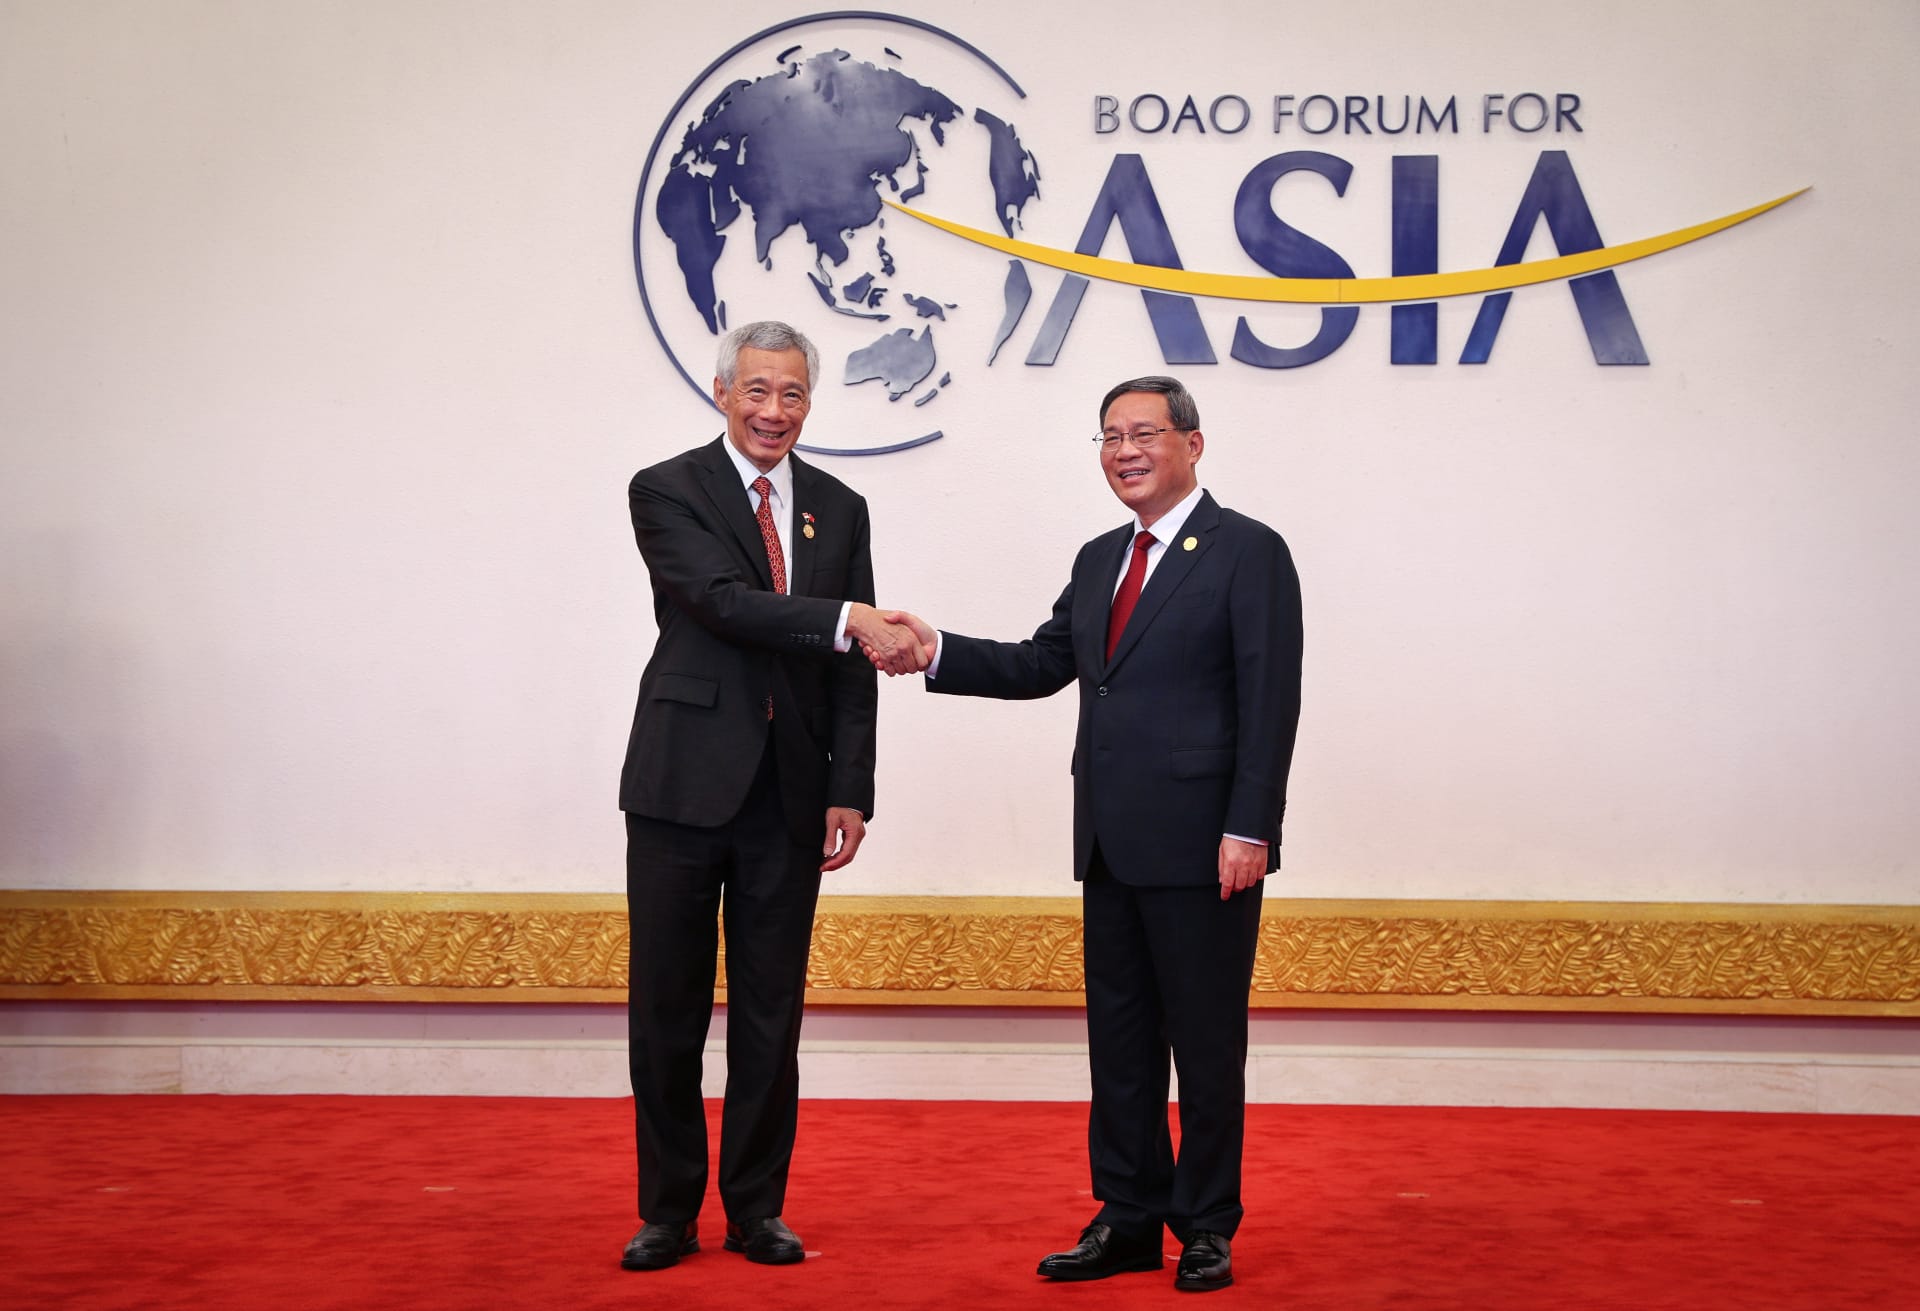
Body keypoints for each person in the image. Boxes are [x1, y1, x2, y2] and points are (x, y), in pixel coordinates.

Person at [884, 376, 1302, 1292]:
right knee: (1118, 1043)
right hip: (1109, 840)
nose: (1125, 451)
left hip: (1206, 847)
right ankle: (1126, 1213)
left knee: (1203, 1042)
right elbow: (1044, 663)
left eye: (1144, 432)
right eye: (1110, 435)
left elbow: (1271, 699)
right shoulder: (1098, 557)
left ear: (1194, 443)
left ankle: (1205, 1224)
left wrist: (1250, 825)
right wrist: (936, 648)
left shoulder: (1248, 551)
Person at [617, 320, 925, 1273]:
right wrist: (846, 617)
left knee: (768, 1013)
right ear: (722, 392)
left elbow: (855, 673)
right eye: (757, 390)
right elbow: (718, 599)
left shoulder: (841, 506)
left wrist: (851, 787)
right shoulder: (667, 488)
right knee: (666, 1008)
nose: (774, 411)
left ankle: (757, 1206)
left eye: (792, 394)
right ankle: (668, 1210)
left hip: (790, 794)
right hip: (679, 785)